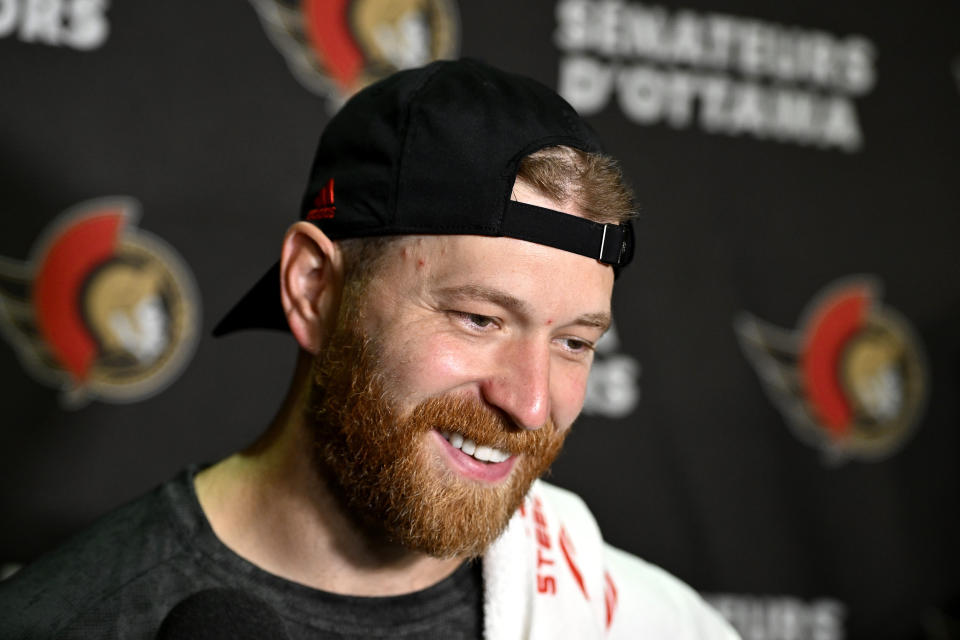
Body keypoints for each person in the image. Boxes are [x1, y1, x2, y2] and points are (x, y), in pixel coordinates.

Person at [0, 59, 738, 639]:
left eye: (575, 341)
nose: (532, 401)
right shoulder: (70, 619)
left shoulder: (642, 621)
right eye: (479, 319)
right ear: (314, 288)